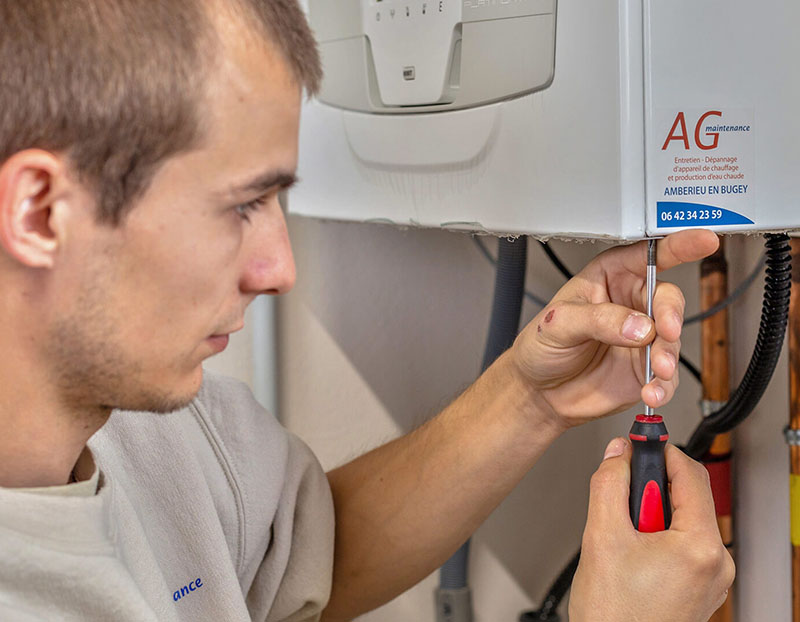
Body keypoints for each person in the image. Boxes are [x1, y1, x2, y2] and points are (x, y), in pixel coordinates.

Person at [0, 1, 734, 621]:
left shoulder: (162, 424)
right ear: (39, 213)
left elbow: (314, 552)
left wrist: (529, 396)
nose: (279, 270)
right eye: (243, 203)